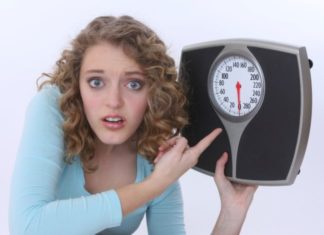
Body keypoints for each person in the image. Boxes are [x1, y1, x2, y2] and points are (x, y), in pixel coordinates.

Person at [9, 15, 257, 235]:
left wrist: (232, 213)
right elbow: (28, 226)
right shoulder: (53, 107)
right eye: (96, 82)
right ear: (76, 87)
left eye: (134, 84)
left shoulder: (155, 161)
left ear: (154, 93)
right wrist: (153, 186)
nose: (114, 102)